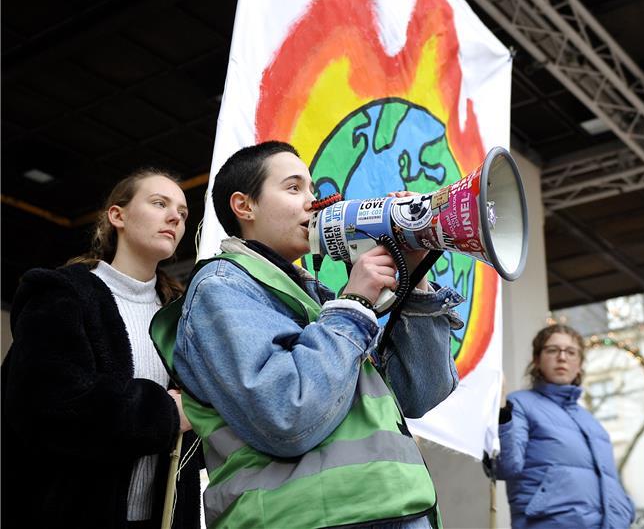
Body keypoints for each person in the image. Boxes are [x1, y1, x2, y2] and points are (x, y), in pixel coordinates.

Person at [153, 140, 464, 529]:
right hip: (312, 517)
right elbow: (286, 414)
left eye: (313, 189)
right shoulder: (222, 286)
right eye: (293, 188)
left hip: (393, 508)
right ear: (244, 205)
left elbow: (420, 393)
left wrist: (416, 278)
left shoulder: (317, 301)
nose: (314, 202)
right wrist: (354, 305)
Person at [1, 169, 202, 529]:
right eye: (159, 203)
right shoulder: (62, 294)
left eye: (183, 213)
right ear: (117, 215)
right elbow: (48, 403)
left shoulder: (182, 316)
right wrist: (165, 413)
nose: (175, 216)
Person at [495, 324, 635, 529]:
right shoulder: (519, 404)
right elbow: (505, 466)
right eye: (552, 350)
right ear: (536, 359)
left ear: (579, 364)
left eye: (571, 352)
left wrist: (626, 511)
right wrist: (501, 413)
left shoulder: (592, 423)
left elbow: (610, 481)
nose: (562, 357)